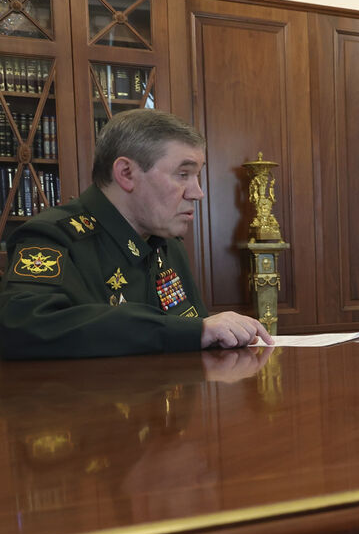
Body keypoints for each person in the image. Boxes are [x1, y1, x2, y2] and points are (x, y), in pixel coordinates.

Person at [0, 109, 273, 359]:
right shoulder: (53, 237)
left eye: (197, 175)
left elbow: (189, 333)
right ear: (126, 173)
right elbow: (21, 327)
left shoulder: (167, 245)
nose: (197, 193)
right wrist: (191, 331)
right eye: (183, 174)